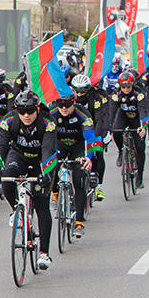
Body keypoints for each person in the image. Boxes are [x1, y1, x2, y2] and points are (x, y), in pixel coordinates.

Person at [0, 90, 57, 270]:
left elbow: (48, 148)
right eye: (22, 111)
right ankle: (16, 210)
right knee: (7, 178)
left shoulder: (48, 122)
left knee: (42, 204)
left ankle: (44, 253)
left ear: (37, 108)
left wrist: (46, 172)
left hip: (41, 160)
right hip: (19, 155)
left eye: (30, 110)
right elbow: (1, 146)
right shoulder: (9, 120)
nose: (26, 115)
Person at [50, 94, 94, 237]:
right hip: (60, 145)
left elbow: (90, 137)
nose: (63, 108)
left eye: (67, 105)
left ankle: (79, 221)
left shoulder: (82, 114)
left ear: (73, 103)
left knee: (78, 179)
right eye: (60, 105)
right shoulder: (51, 113)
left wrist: (88, 157)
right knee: (52, 166)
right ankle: (55, 192)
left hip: (78, 146)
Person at [71, 74, 108, 201]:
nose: (80, 94)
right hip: (76, 129)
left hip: (93, 127)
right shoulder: (72, 99)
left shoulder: (95, 98)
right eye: (77, 91)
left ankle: (99, 185)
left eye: (83, 91)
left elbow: (99, 118)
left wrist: (97, 138)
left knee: (98, 152)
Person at [112, 71, 148, 189]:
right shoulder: (116, 94)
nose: (126, 89)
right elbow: (111, 111)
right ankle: (121, 151)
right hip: (124, 116)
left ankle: (139, 178)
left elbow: (143, 110)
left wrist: (143, 126)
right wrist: (108, 127)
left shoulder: (139, 94)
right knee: (116, 131)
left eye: (128, 86)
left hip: (137, 118)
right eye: (123, 87)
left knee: (139, 147)